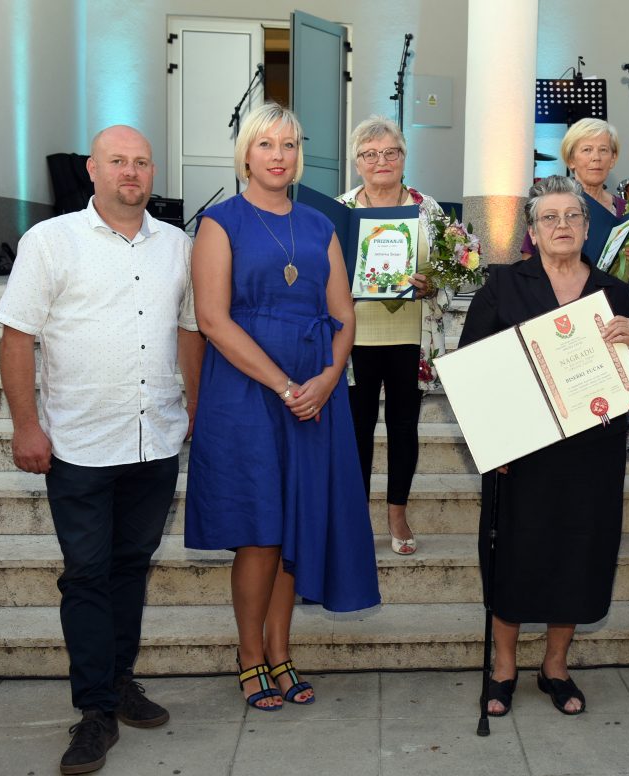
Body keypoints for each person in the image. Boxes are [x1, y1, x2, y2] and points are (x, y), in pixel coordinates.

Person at [0, 125, 204, 774]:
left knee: (129, 567)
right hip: (79, 443)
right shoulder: (50, 242)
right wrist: (26, 426)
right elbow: (17, 337)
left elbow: (189, 329)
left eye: (141, 163)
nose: (131, 173)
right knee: (86, 575)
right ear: (93, 169)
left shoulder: (178, 246)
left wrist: (194, 406)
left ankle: (118, 683)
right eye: (118, 162)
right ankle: (93, 711)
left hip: (153, 440)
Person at [184, 103, 380, 712]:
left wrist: (327, 378)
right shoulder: (219, 223)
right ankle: (249, 654)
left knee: (297, 521)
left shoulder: (320, 225)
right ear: (246, 153)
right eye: (267, 144)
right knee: (260, 530)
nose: (279, 155)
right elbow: (212, 320)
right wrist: (284, 385)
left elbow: (345, 315)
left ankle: (281, 650)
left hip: (313, 394)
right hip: (247, 393)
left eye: (290, 145)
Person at [460, 175, 629, 717]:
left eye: (572, 217)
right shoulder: (503, 285)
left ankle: (556, 666)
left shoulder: (615, 292)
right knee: (513, 556)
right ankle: (503, 668)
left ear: (588, 227)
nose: (562, 226)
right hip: (522, 455)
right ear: (532, 231)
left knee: (578, 554)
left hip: (592, 451)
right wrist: (498, 442)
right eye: (550, 218)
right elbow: (472, 368)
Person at [336, 116, 451, 555]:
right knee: (356, 430)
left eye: (390, 152)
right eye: (370, 154)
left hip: (409, 335)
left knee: (404, 428)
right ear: (357, 163)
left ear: (403, 158)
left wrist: (434, 282)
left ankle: (397, 513)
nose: (380, 161)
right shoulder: (340, 209)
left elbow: (454, 267)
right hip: (354, 339)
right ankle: (356, 514)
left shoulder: (429, 209)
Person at [521, 118, 629, 274]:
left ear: (612, 159)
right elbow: (527, 263)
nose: (596, 157)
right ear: (571, 160)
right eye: (587, 150)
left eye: (603, 150)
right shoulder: (550, 204)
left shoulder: (626, 210)